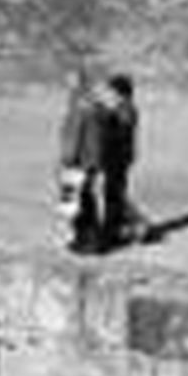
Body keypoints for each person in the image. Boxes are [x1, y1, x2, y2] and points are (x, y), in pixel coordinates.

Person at [55, 66, 106, 253]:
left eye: (70, 80)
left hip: (80, 161)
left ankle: (86, 241)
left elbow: (74, 135)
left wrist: (68, 160)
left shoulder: (79, 104)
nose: (67, 83)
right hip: (90, 159)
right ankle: (89, 239)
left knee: (80, 203)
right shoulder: (91, 102)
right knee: (87, 199)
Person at [99, 72, 144, 249]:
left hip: (118, 158)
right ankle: (119, 228)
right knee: (114, 193)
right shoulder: (121, 107)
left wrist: (107, 120)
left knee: (114, 195)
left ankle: (116, 231)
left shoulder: (126, 109)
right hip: (117, 157)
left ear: (121, 93)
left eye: (112, 92)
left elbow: (120, 132)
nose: (109, 95)